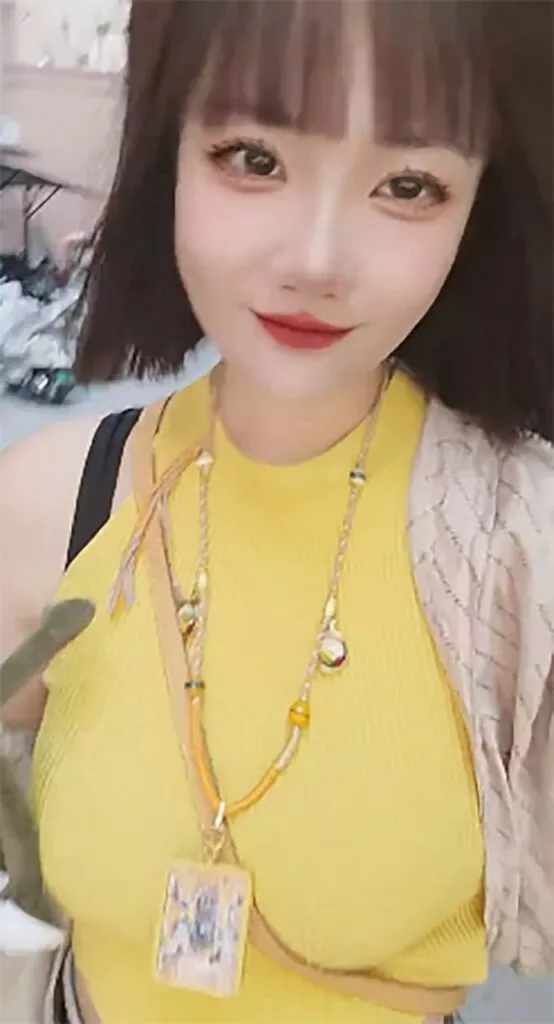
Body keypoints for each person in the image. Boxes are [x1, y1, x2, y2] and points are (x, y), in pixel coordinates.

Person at [0, 1, 552, 1022]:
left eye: (407, 184)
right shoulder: (46, 504)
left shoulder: (521, 545)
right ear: (167, 151)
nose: (316, 258)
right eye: (253, 158)